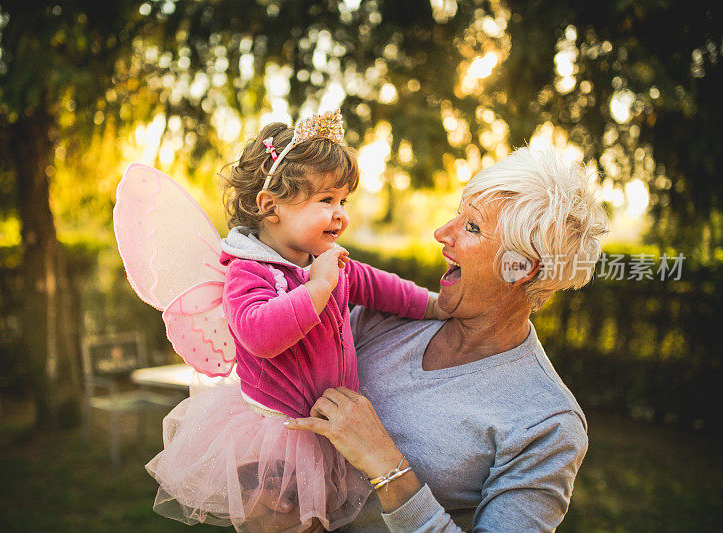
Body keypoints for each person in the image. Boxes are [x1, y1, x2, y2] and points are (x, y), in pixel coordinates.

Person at [144, 110, 448, 532]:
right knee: (279, 521)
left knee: (317, 523)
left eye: (344, 200)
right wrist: (317, 288)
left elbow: (379, 287)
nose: (340, 213)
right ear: (271, 206)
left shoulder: (323, 262)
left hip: (324, 428)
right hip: (276, 438)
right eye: (326, 200)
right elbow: (258, 332)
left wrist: (434, 305)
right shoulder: (249, 270)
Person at [285, 146, 610, 532]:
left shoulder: (547, 424)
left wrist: (387, 465)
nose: (442, 233)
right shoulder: (385, 320)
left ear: (521, 267)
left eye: (472, 226)